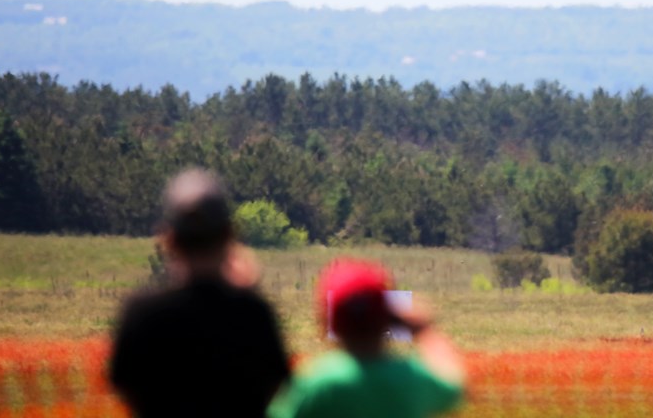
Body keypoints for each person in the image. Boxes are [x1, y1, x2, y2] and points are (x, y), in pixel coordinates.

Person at [110, 168, 290, 418]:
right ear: (230, 234)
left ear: (168, 239)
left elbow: (125, 386)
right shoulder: (253, 313)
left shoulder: (142, 313)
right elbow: (276, 385)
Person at [269, 259, 464, 418]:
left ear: (328, 323)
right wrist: (424, 330)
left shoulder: (319, 382)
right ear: (388, 318)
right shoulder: (410, 378)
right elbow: (453, 383)